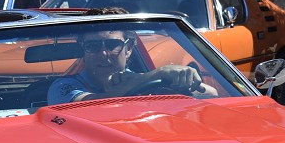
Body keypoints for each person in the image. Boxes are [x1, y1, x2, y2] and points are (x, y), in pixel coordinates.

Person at [47, 27, 215, 105]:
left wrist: (184, 81)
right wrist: (158, 74)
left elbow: (212, 95)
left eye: (112, 45)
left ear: (128, 49)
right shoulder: (63, 87)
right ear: (83, 50)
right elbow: (92, 104)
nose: (103, 54)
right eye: (93, 46)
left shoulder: (150, 81)